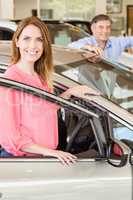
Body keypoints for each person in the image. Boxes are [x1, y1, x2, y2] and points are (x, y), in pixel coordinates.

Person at [0, 16, 99, 165]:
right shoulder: (12, 79)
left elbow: (45, 109)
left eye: (39, 39)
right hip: (22, 162)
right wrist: (51, 152)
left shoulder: (39, 77)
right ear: (17, 41)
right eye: (27, 38)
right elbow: (10, 137)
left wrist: (70, 93)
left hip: (41, 158)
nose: (33, 45)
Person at [68, 14, 133, 63]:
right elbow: (70, 46)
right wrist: (88, 47)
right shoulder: (87, 42)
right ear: (93, 28)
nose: (105, 31)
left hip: (111, 80)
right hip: (87, 81)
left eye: (108, 27)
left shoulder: (116, 42)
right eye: (101, 27)